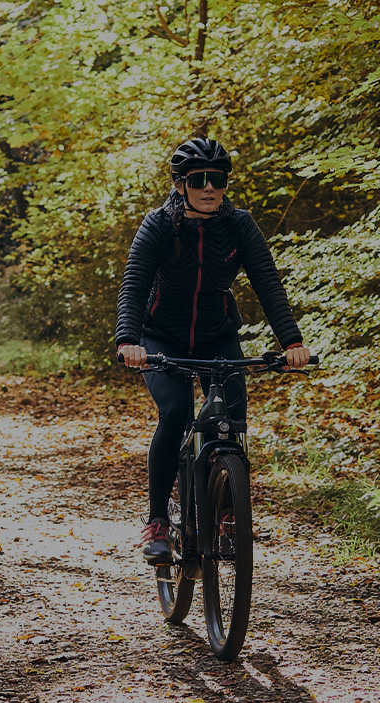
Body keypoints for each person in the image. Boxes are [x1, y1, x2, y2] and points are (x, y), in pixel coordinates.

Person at [115, 138, 310, 564]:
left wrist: (291, 342)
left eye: (217, 180)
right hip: (160, 338)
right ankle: (157, 523)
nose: (209, 189)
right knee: (176, 411)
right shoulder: (159, 225)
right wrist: (128, 341)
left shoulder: (239, 224)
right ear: (181, 184)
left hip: (217, 334)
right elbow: (133, 284)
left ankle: (225, 513)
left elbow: (267, 282)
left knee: (231, 419)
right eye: (199, 180)